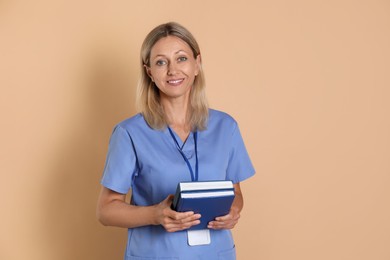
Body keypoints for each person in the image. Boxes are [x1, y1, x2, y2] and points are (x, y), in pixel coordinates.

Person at [97, 22, 255, 260]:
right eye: (161, 62)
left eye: (181, 59)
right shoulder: (129, 133)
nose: (172, 70)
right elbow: (106, 210)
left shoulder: (226, 127)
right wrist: (155, 215)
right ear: (150, 72)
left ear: (197, 64)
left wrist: (234, 211)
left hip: (216, 254)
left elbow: (235, 192)